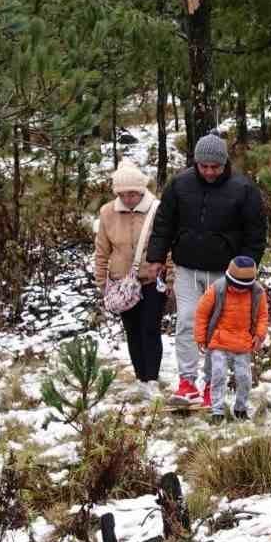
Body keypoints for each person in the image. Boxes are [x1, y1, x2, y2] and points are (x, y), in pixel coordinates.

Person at [139, 133, 267, 408]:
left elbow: (255, 234)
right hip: (186, 268)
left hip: (226, 274)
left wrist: (247, 268)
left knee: (217, 328)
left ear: (224, 164)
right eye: (203, 166)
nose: (209, 171)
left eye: (215, 167)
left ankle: (212, 384)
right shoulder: (179, 185)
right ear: (195, 162)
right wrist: (156, 257)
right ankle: (187, 383)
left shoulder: (244, 190)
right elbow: (164, 223)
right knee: (186, 321)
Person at [94, 159, 167, 392]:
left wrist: (171, 280)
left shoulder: (158, 209)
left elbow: (170, 247)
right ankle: (140, 378)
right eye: (122, 194)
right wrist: (101, 283)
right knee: (133, 331)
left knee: (150, 329)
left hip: (152, 280)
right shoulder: (107, 212)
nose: (128, 198)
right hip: (121, 285)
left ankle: (152, 379)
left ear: (142, 189)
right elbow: (101, 251)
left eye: (133, 193)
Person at [192, 256, 268, 420]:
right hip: (219, 342)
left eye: (245, 287)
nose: (241, 290)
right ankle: (217, 410)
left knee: (245, 378)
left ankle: (241, 408)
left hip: (243, 343)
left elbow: (262, 316)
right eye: (237, 286)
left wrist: (259, 335)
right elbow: (202, 313)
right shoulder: (217, 289)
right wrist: (200, 337)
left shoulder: (257, 292)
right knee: (217, 374)